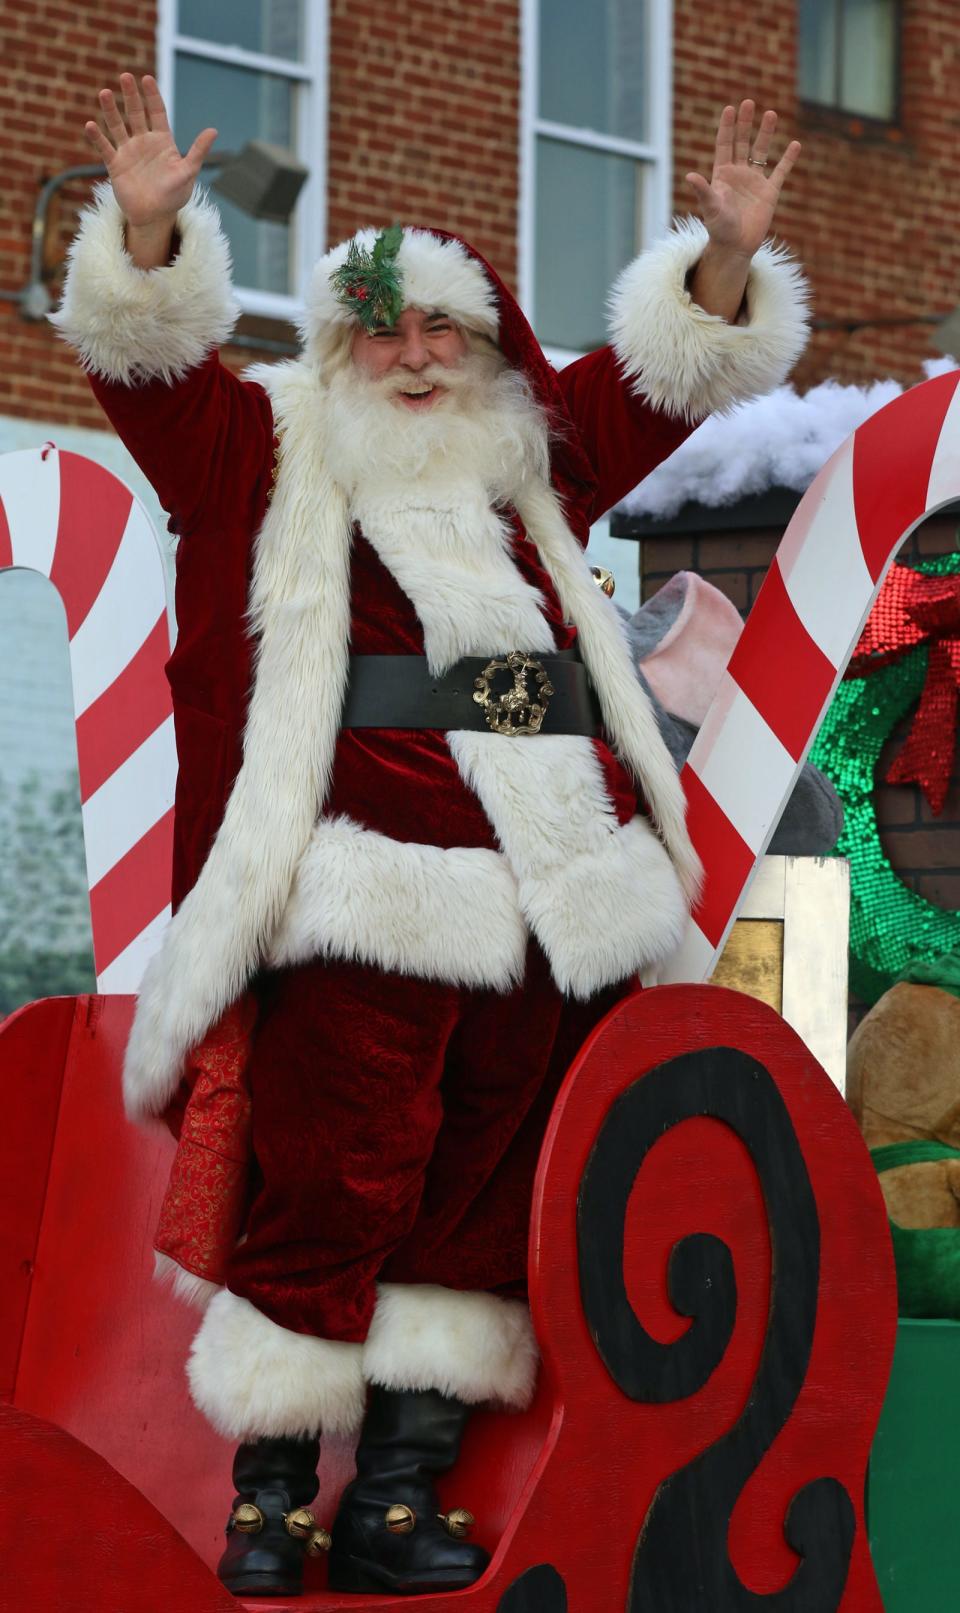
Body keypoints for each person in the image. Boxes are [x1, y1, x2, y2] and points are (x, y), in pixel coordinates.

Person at [54, 72, 807, 1598]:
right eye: (383, 329)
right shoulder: (266, 446)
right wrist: (145, 236)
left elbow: (658, 384)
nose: (413, 354)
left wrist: (722, 260)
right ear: (337, 346)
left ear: (484, 349)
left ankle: (399, 1491)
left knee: (475, 1205)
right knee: (332, 1185)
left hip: (544, 901)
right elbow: (153, 382)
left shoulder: (533, 455)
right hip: (359, 898)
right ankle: (271, 1498)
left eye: (443, 328)